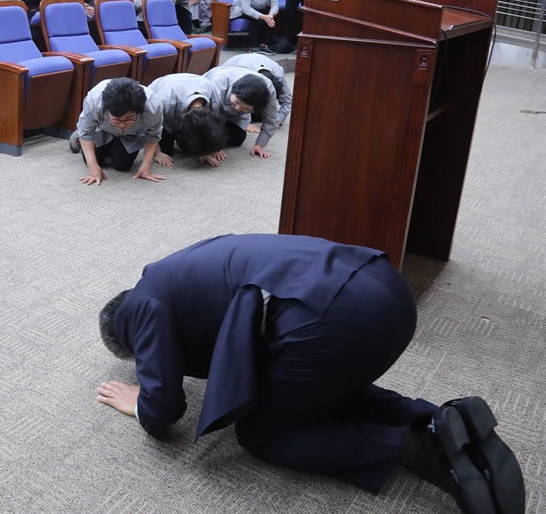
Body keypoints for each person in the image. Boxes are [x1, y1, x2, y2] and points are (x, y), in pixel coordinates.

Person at [97, 233, 526, 514]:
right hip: (383, 288)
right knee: (304, 388)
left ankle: (416, 446)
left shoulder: (141, 306)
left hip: (332, 317)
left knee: (263, 431)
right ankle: (438, 420)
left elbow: (164, 407)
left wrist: (140, 402)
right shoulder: (184, 269)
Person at [70, 78, 165, 185]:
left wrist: (146, 166)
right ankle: (79, 135)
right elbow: (86, 133)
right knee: (94, 159)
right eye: (117, 119)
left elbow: (152, 136)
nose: (122, 125)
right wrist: (92, 166)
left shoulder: (154, 106)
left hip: (132, 134)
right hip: (102, 129)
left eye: (129, 119)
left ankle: (111, 144)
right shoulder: (94, 100)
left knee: (122, 165)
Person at [146, 72, 225, 168]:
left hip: (189, 84)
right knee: (166, 149)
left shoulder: (214, 95)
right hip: (163, 99)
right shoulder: (162, 101)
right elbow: (149, 126)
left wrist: (207, 151)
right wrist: (157, 153)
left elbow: (210, 128)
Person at [202, 65, 278, 159]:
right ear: (234, 91)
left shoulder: (268, 90)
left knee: (237, 138)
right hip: (209, 104)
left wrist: (259, 145)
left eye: (245, 108)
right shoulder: (218, 82)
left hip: (234, 113)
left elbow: (271, 119)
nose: (237, 108)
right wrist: (214, 145)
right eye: (237, 102)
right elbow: (206, 115)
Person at [222, 52, 292, 129]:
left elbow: (287, 101)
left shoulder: (278, 72)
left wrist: (277, 121)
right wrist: (243, 124)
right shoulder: (239, 75)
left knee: (267, 113)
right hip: (229, 90)